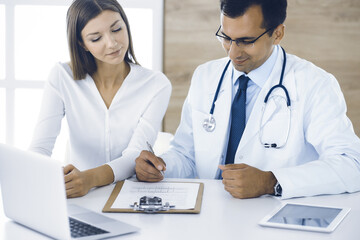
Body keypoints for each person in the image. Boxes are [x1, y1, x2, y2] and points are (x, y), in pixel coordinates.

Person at [135, 0, 360, 199]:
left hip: (275, 220)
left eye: (246, 40)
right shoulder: (206, 76)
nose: (233, 53)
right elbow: (187, 155)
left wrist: (272, 182)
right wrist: (160, 167)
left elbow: (352, 164)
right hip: (209, 217)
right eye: (226, 37)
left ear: (278, 33)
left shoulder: (314, 84)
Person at [29, 0, 171, 198]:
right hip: (78, 198)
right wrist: (38, 178)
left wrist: (88, 179)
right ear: (82, 44)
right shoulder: (62, 77)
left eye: (117, 29)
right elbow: (40, 148)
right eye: (96, 38)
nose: (112, 43)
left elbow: (134, 155)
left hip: (130, 196)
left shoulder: (156, 84)